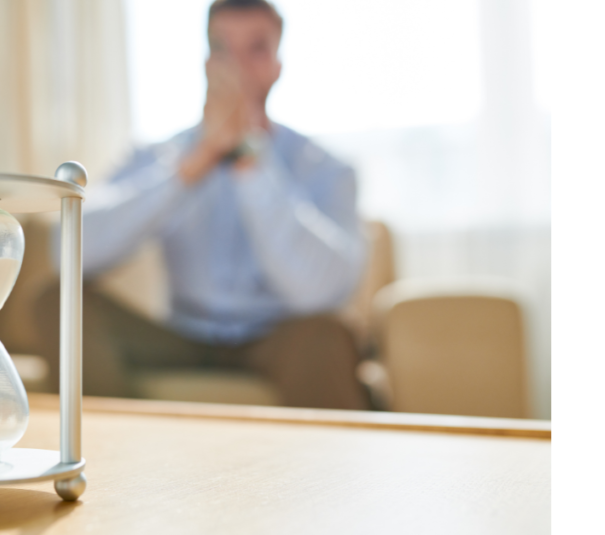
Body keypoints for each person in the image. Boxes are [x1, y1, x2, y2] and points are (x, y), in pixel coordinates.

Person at [35, 0, 369, 409]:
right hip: (182, 336)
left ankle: (324, 475)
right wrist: (190, 168)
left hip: (279, 337)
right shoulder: (161, 156)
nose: (238, 66)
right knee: (58, 302)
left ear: (278, 65)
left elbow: (321, 294)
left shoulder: (326, 169)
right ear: (206, 60)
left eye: (257, 48)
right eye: (223, 48)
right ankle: (108, 459)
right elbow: (68, 253)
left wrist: (251, 160)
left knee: (328, 335)